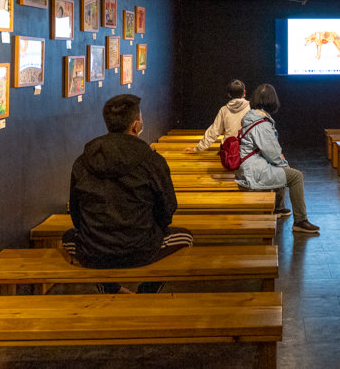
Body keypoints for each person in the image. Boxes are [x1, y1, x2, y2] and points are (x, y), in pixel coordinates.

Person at [62, 94, 193, 294]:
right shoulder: (152, 162)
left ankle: (110, 289)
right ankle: (147, 292)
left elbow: (76, 215)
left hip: (95, 250)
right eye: (141, 118)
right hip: (141, 250)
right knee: (186, 238)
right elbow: (167, 210)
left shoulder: (83, 161)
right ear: (134, 125)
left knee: (68, 238)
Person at [235, 84, 320, 234]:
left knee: (282, 168)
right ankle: (300, 221)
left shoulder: (252, 116)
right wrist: (285, 165)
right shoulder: (261, 123)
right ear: (272, 100)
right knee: (295, 176)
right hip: (253, 170)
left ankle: (278, 208)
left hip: (249, 165)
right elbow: (273, 153)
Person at [184, 79, 249, 154]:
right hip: (246, 151)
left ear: (229, 95)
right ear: (244, 92)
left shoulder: (224, 110)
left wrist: (198, 148)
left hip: (228, 151)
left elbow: (214, 131)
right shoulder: (252, 108)